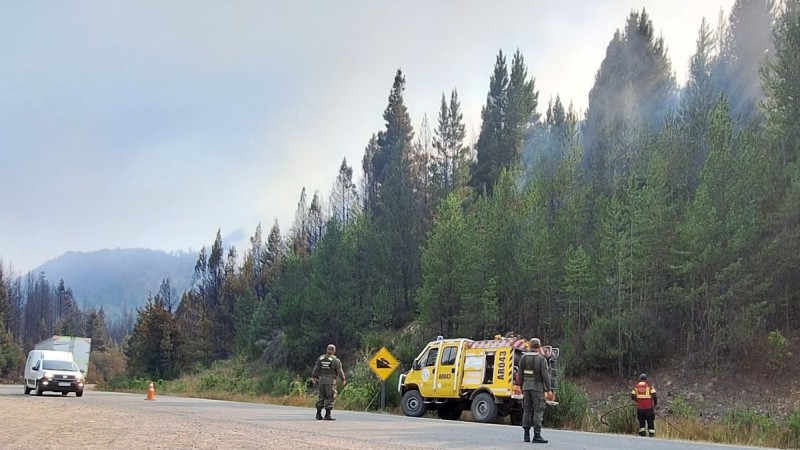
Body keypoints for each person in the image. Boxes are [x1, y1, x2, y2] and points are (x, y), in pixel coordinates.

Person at [518, 338, 553, 444]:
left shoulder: (523, 358)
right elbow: (545, 376)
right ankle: (537, 435)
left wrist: (521, 386)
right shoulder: (541, 359)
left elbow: (520, 374)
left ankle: (526, 435)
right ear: (539, 346)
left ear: (530, 346)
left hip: (526, 388)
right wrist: (549, 389)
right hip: (537, 388)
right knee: (538, 410)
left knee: (527, 410)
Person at [312, 344, 346, 420]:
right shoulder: (335, 360)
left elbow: (316, 368)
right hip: (330, 382)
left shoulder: (321, 358)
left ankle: (318, 414)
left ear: (327, 350)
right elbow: (340, 371)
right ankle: (327, 415)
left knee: (321, 397)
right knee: (330, 397)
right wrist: (343, 379)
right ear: (334, 351)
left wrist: (314, 377)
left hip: (321, 381)